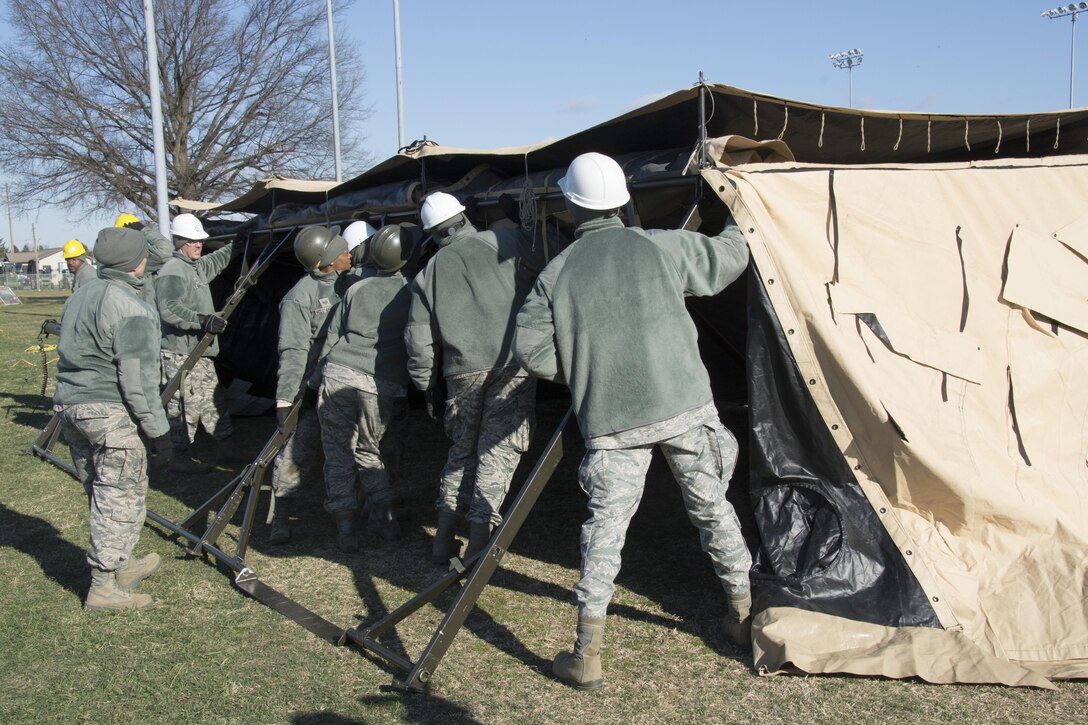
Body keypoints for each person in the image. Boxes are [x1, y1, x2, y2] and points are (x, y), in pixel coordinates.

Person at [512, 151, 754, 690]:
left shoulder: (554, 276)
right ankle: (742, 617)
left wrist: (585, 369)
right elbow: (730, 257)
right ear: (622, 199)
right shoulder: (661, 245)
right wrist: (745, 207)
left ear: (571, 207)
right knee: (714, 509)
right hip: (684, 405)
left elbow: (528, 351)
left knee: (605, 531)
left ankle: (587, 653)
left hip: (611, 421)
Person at [405, 192, 545, 564]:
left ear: (432, 232)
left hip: (461, 372)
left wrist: (425, 387)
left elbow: (419, 342)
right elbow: (555, 260)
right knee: (498, 450)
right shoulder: (507, 242)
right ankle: (481, 541)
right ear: (464, 216)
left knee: (462, 452)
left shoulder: (425, 275)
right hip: (511, 365)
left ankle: (444, 539)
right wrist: (524, 224)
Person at [53, 226, 172, 612]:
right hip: (109, 411)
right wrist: (158, 430)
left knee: (99, 490)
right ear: (139, 263)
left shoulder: (82, 292)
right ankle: (103, 586)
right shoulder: (130, 306)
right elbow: (136, 380)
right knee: (119, 495)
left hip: (71, 407)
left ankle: (121, 564)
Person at [318, 224, 415, 550]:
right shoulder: (412, 293)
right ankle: (386, 522)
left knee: (337, 455)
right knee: (371, 453)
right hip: (380, 384)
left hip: (339, 374)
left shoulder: (356, 290)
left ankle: (346, 529)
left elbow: (333, 337)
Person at [268, 225, 353, 546]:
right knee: (294, 455)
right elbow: (292, 351)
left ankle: (352, 518)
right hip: (311, 388)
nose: (349, 255)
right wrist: (285, 399)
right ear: (327, 261)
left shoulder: (350, 284)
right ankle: (281, 514)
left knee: (348, 453)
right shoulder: (299, 298)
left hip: (344, 384)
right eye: (342, 252)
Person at [154, 212, 236, 472]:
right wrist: (202, 321)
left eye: (200, 241)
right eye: (192, 241)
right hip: (180, 353)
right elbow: (169, 308)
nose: (198, 245)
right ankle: (178, 456)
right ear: (180, 242)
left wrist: (240, 241)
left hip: (200, 352)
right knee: (184, 406)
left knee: (213, 400)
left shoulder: (195, 266)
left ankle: (226, 447)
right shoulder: (173, 270)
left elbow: (217, 260)